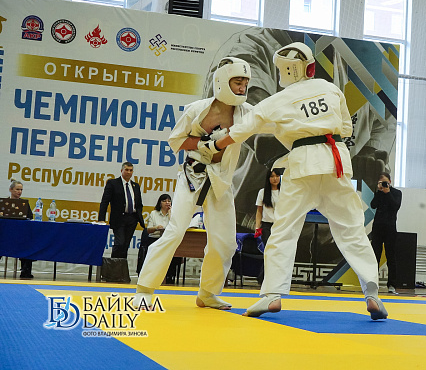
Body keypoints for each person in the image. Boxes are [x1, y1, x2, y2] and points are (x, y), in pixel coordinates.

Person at [205, 42, 387, 320]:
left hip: (302, 165)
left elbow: (241, 130)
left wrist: (214, 146)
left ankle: (272, 295)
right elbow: (345, 128)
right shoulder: (330, 89)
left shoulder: (277, 101)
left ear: (283, 71)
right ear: (310, 68)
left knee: (283, 231)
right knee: (352, 230)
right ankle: (372, 293)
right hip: (336, 163)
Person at [132, 57, 253, 310]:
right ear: (222, 82)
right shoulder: (197, 109)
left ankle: (207, 293)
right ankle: (144, 288)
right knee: (175, 231)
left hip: (221, 180)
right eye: (237, 82)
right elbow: (175, 141)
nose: (242, 87)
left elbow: (272, 119)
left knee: (225, 241)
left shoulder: (247, 113)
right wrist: (204, 144)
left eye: (245, 82)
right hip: (192, 176)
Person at [98, 162, 145, 258]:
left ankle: (121, 266)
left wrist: (138, 217)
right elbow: (105, 202)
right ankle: (114, 264)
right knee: (119, 243)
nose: (128, 172)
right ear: (121, 170)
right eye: (126, 170)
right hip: (119, 218)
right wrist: (101, 219)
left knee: (125, 245)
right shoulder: (113, 183)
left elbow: (139, 203)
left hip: (132, 219)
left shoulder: (135, 186)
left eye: (131, 170)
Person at [370, 172, 402, 294]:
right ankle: (373, 283)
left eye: (385, 182)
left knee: (391, 256)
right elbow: (373, 205)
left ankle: (392, 285)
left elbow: (395, 206)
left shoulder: (397, 193)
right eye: (381, 182)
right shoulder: (378, 193)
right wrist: (379, 192)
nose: (383, 184)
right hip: (378, 228)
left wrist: (387, 192)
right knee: (375, 256)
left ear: (390, 182)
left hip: (390, 228)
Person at [144, 194, 181, 284]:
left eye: (169, 201)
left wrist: (170, 214)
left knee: (174, 252)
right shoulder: (154, 213)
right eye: (164, 201)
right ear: (160, 203)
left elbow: (175, 227)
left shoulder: (173, 214)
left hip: (168, 240)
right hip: (155, 238)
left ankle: (170, 276)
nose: (167, 203)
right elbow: (148, 230)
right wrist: (156, 227)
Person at [9, 179, 34, 278]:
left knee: (28, 245)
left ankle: (25, 271)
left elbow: (30, 217)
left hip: (20, 235)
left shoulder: (24, 204)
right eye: (17, 189)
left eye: (21, 190)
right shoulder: (3, 203)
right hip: (6, 234)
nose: (19, 192)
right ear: (11, 190)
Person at [255, 169, 281, 245]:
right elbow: (259, 211)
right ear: (268, 178)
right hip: (267, 226)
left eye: (277, 176)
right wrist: (257, 227)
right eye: (272, 176)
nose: (275, 179)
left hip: (280, 225)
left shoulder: (284, 192)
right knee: (268, 247)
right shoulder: (262, 192)